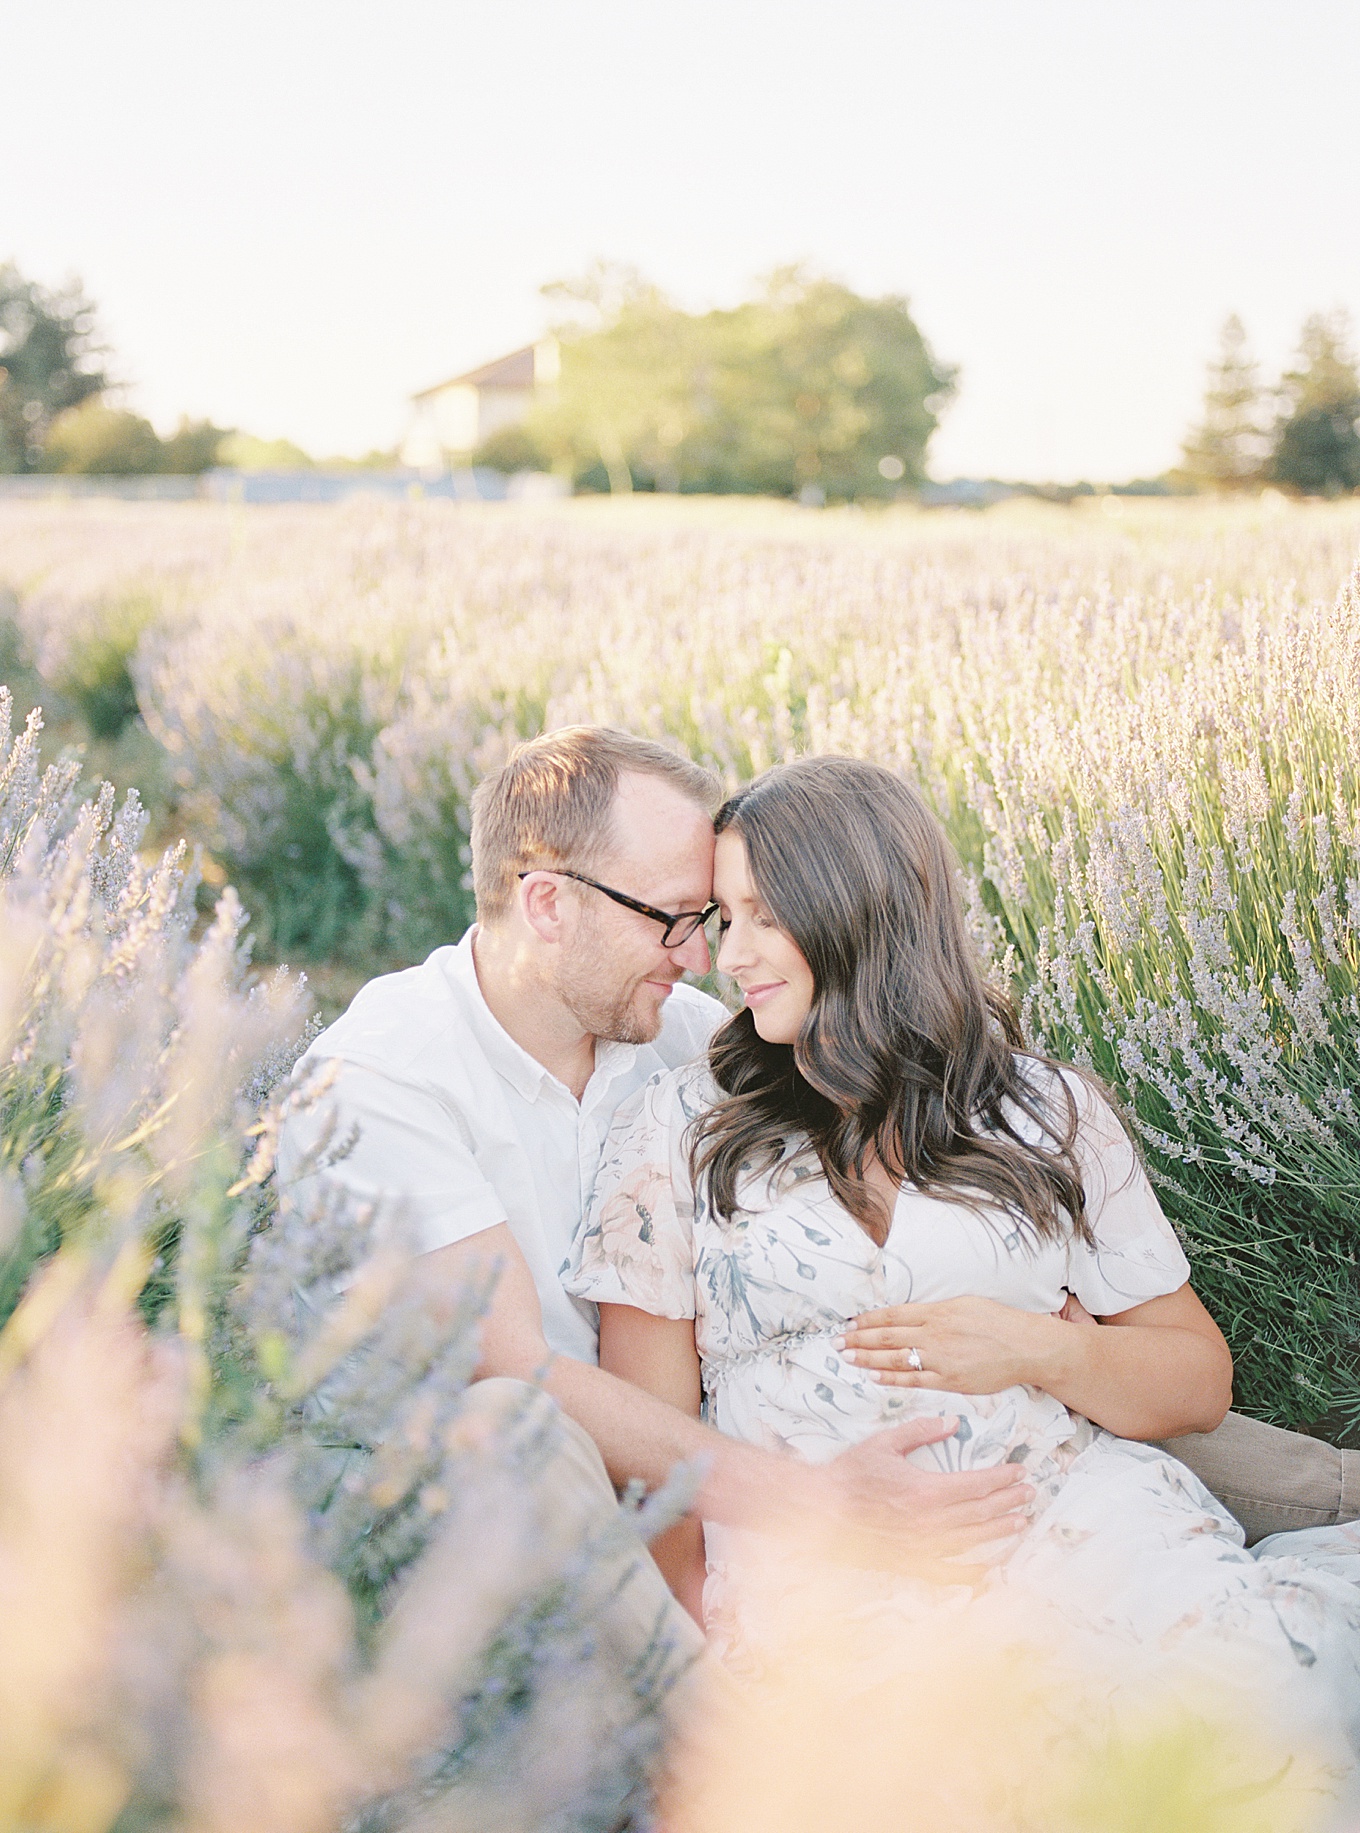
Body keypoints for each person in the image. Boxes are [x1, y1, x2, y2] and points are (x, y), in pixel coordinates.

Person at [566, 757, 1360, 1763]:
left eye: (765, 916)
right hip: (823, 1577)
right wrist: (688, 1662)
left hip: (1078, 1527)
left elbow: (1196, 1381)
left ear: (859, 912)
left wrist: (1041, 1350)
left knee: (1251, 1726)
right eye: (726, 918)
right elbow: (651, 1440)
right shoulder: (680, 1129)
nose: (734, 956)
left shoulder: (1043, 1111)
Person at [278, 729, 1035, 1708]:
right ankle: (734, 1768)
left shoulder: (675, 1035)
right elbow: (522, 1374)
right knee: (514, 1428)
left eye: (711, 917)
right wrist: (820, 1503)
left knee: (1255, 1477)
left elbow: (885, 1141)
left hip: (718, 1442)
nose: (703, 957)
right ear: (545, 902)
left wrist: (1041, 1325)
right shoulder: (380, 1076)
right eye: (673, 919)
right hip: (496, 1497)